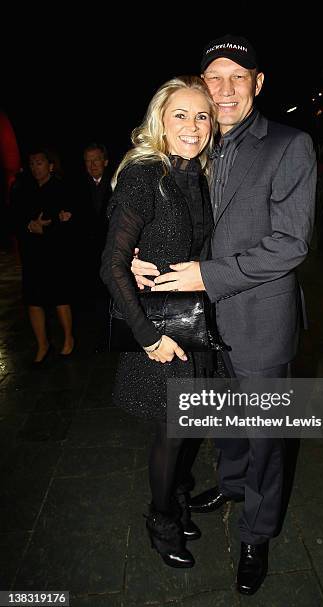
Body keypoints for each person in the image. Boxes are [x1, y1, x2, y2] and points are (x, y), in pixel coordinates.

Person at [131, 35, 317, 595]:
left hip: (261, 322)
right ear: (202, 86)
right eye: (215, 77)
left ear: (258, 84)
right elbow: (170, 215)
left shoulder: (290, 144)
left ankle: (257, 534)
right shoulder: (197, 142)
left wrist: (205, 276)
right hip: (205, 325)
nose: (226, 88)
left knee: (265, 437)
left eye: (240, 76)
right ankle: (231, 486)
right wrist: (142, 255)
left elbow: (290, 244)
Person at [100, 75, 218, 569]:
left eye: (202, 116)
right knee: (171, 433)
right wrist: (150, 340)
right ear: (159, 123)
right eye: (180, 115)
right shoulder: (145, 172)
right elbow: (111, 263)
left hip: (192, 323)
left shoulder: (196, 173)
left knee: (188, 425)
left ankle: (180, 496)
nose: (193, 126)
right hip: (161, 329)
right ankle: (160, 517)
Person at [11, 147, 75, 363]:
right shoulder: (23, 189)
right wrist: (30, 226)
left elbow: (69, 220)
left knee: (60, 297)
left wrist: (47, 227)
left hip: (55, 253)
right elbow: (14, 218)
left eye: (39, 163)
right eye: (31, 163)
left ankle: (68, 339)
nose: (35, 167)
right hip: (32, 253)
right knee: (33, 300)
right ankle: (42, 344)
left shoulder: (61, 188)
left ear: (49, 165)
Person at [79, 142, 112, 296]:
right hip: (87, 254)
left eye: (96, 160)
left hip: (112, 250)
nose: (92, 165)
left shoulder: (116, 183)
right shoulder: (77, 187)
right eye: (87, 161)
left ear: (105, 161)